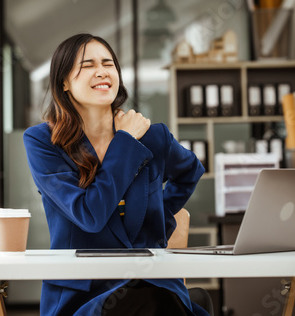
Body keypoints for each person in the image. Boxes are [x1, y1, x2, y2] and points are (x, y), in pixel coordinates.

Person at [23, 33, 207, 316]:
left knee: (155, 301)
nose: (102, 71)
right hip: (83, 292)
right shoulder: (43, 142)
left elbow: (190, 172)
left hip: (150, 280)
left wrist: (159, 212)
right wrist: (125, 143)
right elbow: (90, 216)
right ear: (64, 82)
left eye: (108, 63)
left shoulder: (153, 136)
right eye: (88, 65)